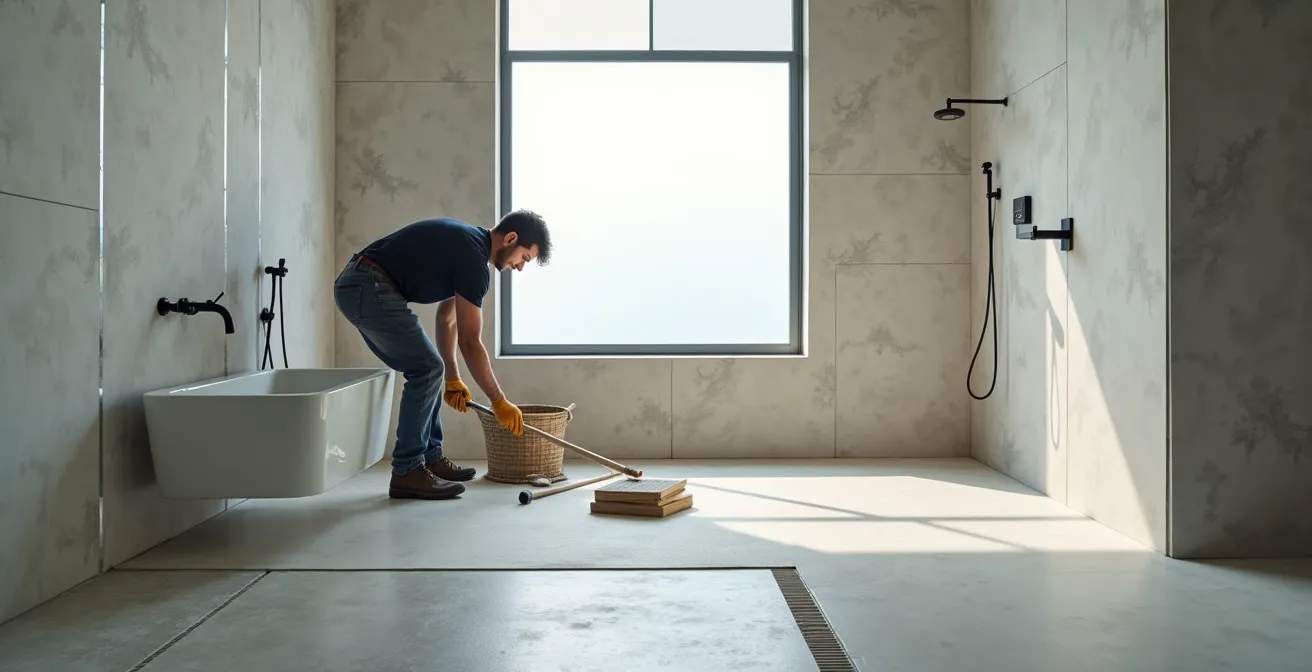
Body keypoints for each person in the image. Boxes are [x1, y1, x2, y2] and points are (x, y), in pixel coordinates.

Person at [334, 210, 552, 500]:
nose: (520, 267)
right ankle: (407, 471)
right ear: (511, 238)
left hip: (361, 282)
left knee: (430, 368)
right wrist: (498, 400)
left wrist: (453, 378)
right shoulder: (473, 258)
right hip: (367, 283)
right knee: (426, 368)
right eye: (524, 258)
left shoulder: (469, 247)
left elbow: (446, 320)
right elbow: (471, 342)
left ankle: (429, 457)